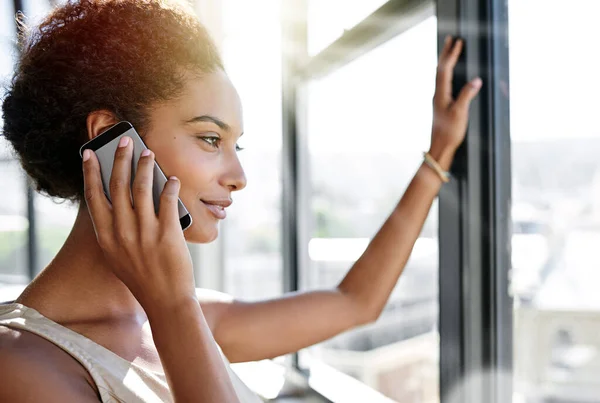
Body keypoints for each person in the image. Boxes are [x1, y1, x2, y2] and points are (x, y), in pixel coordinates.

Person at [0, 0, 482, 402]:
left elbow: (355, 303)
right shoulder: (22, 365)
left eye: (238, 146)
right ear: (112, 139)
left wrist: (437, 156)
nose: (239, 177)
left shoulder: (184, 316)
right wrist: (171, 306)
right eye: (210, 139)